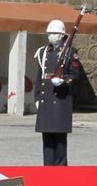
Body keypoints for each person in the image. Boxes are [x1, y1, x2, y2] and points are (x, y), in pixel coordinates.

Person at [34, 18, 81, 165]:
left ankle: (60, 171)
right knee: (47, 142)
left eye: (54, 33)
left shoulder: (70, 52)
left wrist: (63, 80)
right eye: (49, 33)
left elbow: (75, 75)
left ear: (61, 35)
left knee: (60, 143)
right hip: (46, 100)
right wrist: (37, 97)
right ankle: (48, 170)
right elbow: (39, 77)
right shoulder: (43, 52)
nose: (51, 36)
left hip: (61, 101)